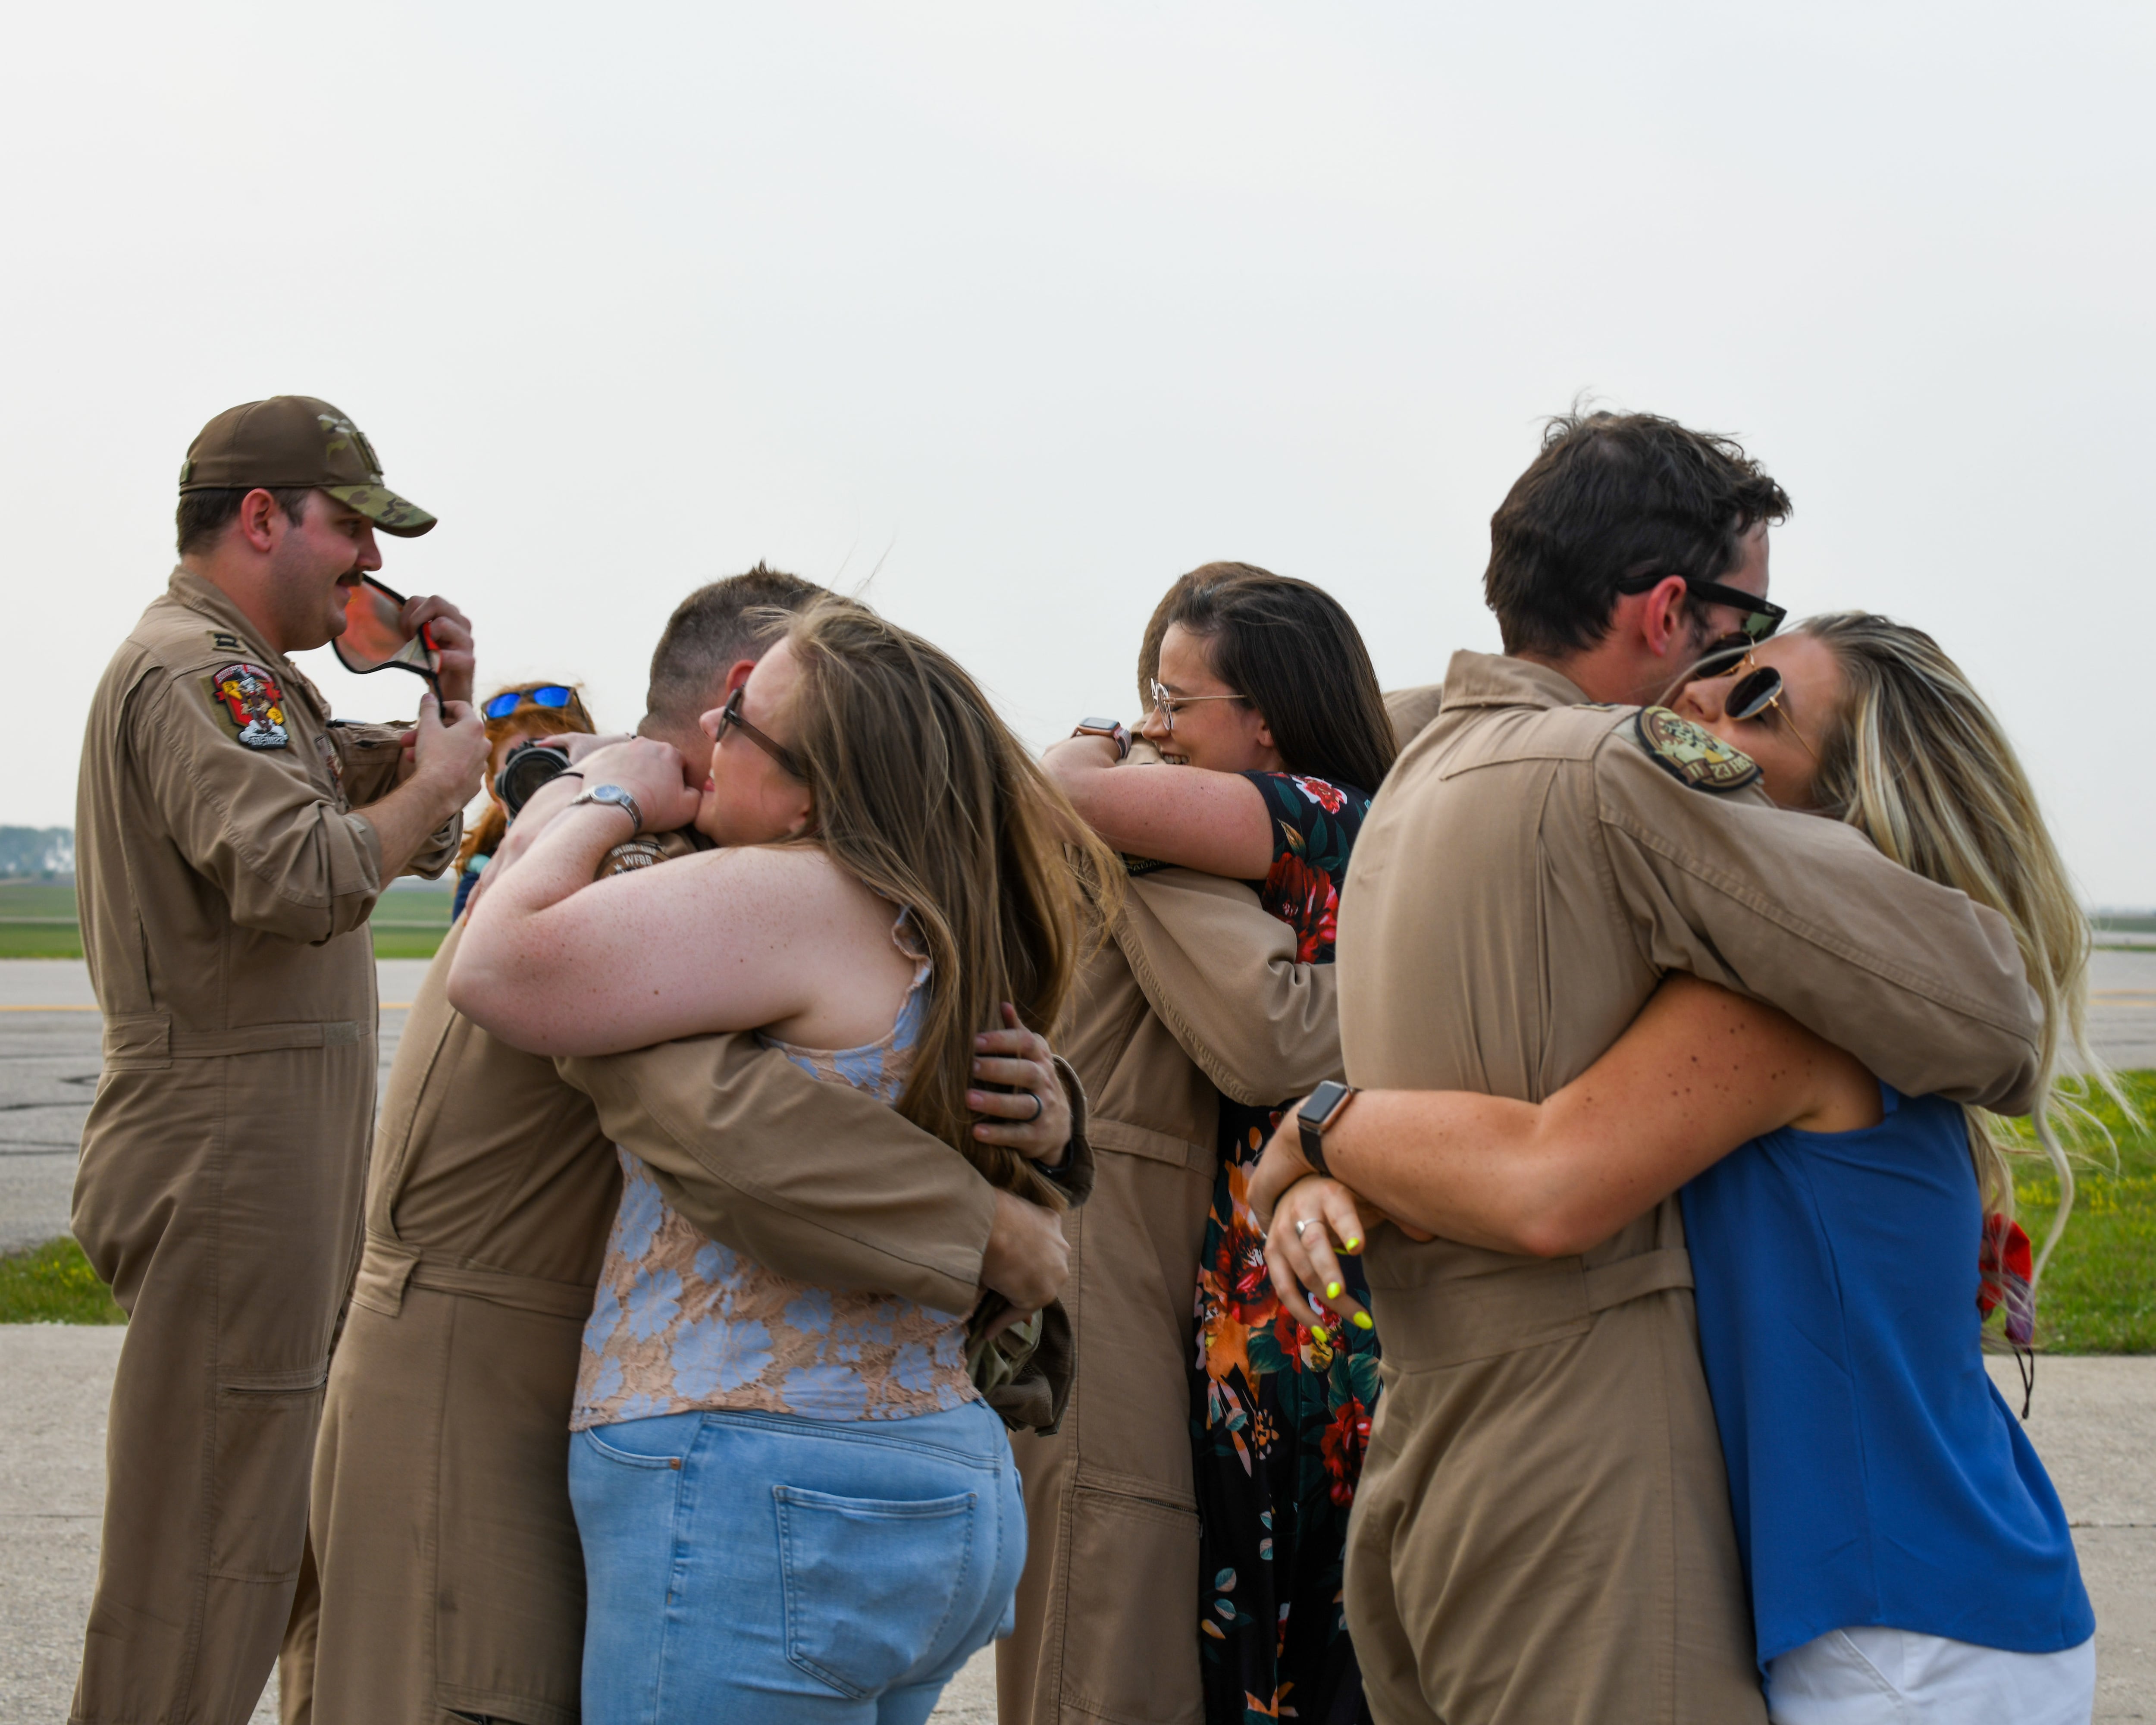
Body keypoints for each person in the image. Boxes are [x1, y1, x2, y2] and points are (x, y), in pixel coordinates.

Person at [1322, 410, 2046, 1725]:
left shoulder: (1419, 788)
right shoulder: (1614, 774)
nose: (1727, 679)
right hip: (1599, 1481)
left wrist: (1314, 1133)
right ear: (1669, 608)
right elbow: (1992, 1012)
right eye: (1741, 631)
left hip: (1443, 1457)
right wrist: (1318, 1133)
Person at [304, 568, 1084, 1725]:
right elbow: (724, 1123)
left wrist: (1043, 1144)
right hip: (481, 1387)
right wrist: (994, 1227)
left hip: (696, 1430)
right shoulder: (647, 867)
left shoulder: (714, 876)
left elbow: (750, 1117)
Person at [70, 396, 489, 1725]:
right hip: (228, 1153)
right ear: (264, 519)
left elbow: (352, 814)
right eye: (348, 532)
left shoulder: (255, 674)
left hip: (268, 1159)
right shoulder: (202, 671)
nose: (366, 568)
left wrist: (439, 712)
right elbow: (304, 869)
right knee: (199, 1572)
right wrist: (440, 783)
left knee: (279, 1546)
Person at [998, 570, 1361, 1725]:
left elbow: (1268, 1037)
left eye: (1170, 699)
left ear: (1261, 717)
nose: (1152, 728)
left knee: (1124, 1598)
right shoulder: (1181, 830)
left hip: (1200, 1265)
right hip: (1153, 1254)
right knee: (1117, 1598)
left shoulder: (1186, 820)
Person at [452, 680, 599, 915]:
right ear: (495, 790)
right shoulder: (484, 878)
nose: (543, 784)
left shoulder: (632, 850)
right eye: (520, 769)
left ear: (596, 763)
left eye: (558, 758)